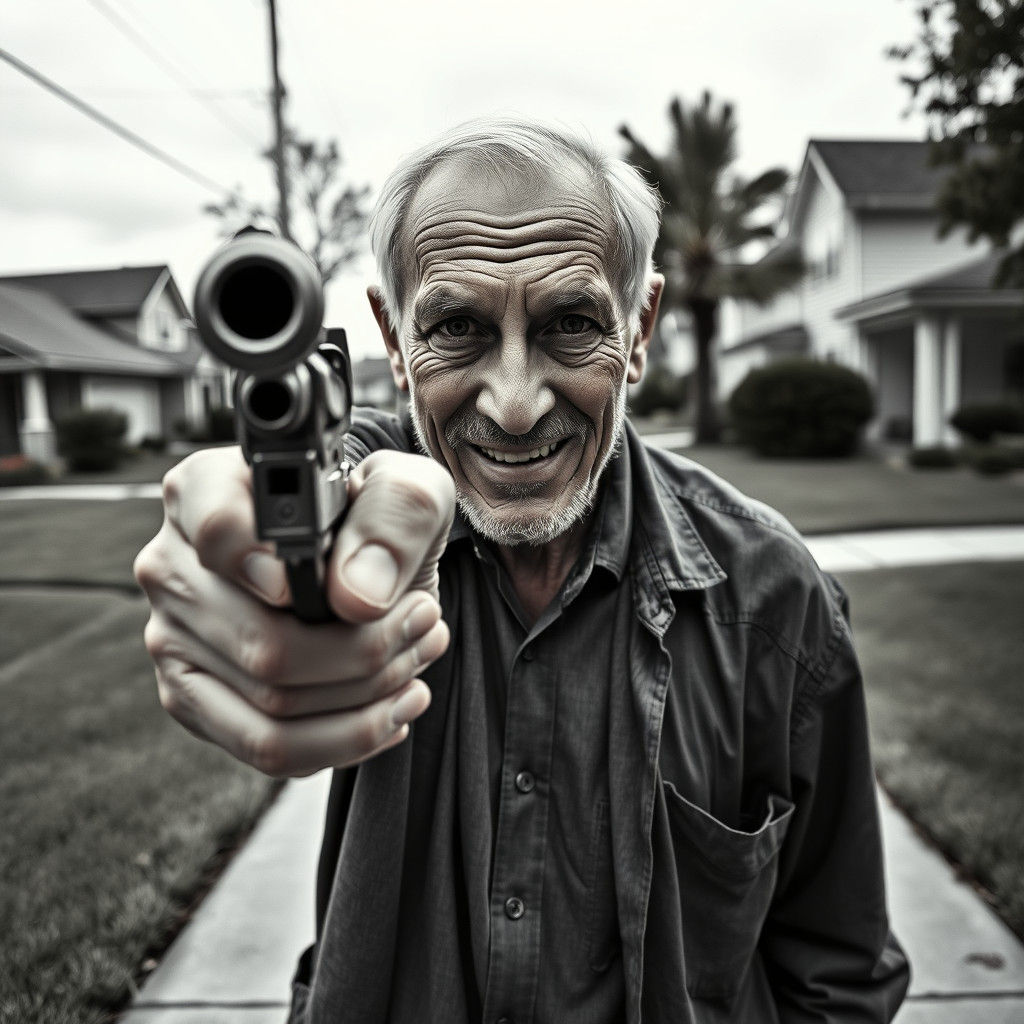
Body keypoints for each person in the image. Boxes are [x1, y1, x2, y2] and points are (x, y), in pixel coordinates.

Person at [134, 118, 910, 1023]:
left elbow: (839, 973)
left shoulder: (776, 600)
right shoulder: (362, 519)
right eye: (456, 327)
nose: (512, 404)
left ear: (641, 325)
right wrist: (256, 560)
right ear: (392, 335)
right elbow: (346, 469)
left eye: (572, 325)